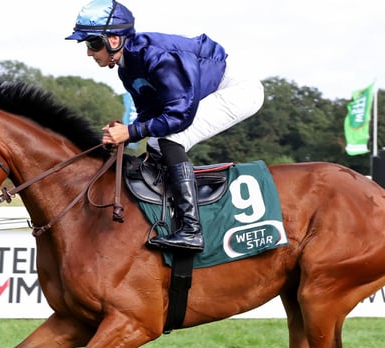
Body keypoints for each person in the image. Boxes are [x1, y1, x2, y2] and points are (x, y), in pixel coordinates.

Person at [66, 0, 264, 252]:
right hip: (206, 92)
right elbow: (150, 113)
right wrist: (125, 133)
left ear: (114, 40)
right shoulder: (127, 68)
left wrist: (129, 132)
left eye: (93, 44)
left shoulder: (157, 57)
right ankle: (167, 215)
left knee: (172, 139)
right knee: (155, 143)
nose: (89, 52)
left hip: (238, 89)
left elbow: (180, 115)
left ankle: (192, 230)